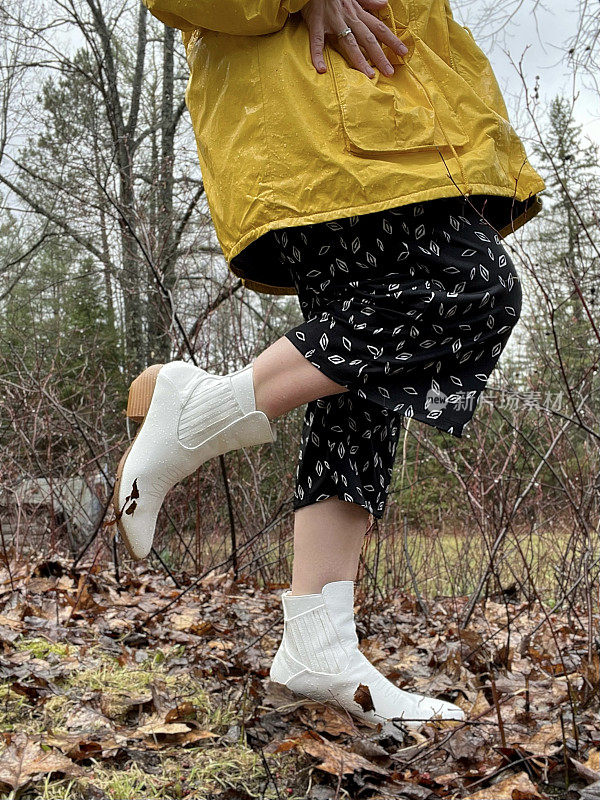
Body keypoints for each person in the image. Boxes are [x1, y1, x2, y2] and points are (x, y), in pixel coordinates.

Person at [113, 0, 546, 727]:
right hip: (319, 108)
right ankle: (205, 411)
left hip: (381, 118)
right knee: (472, 287)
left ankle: (319, 645)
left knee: (364, 387)